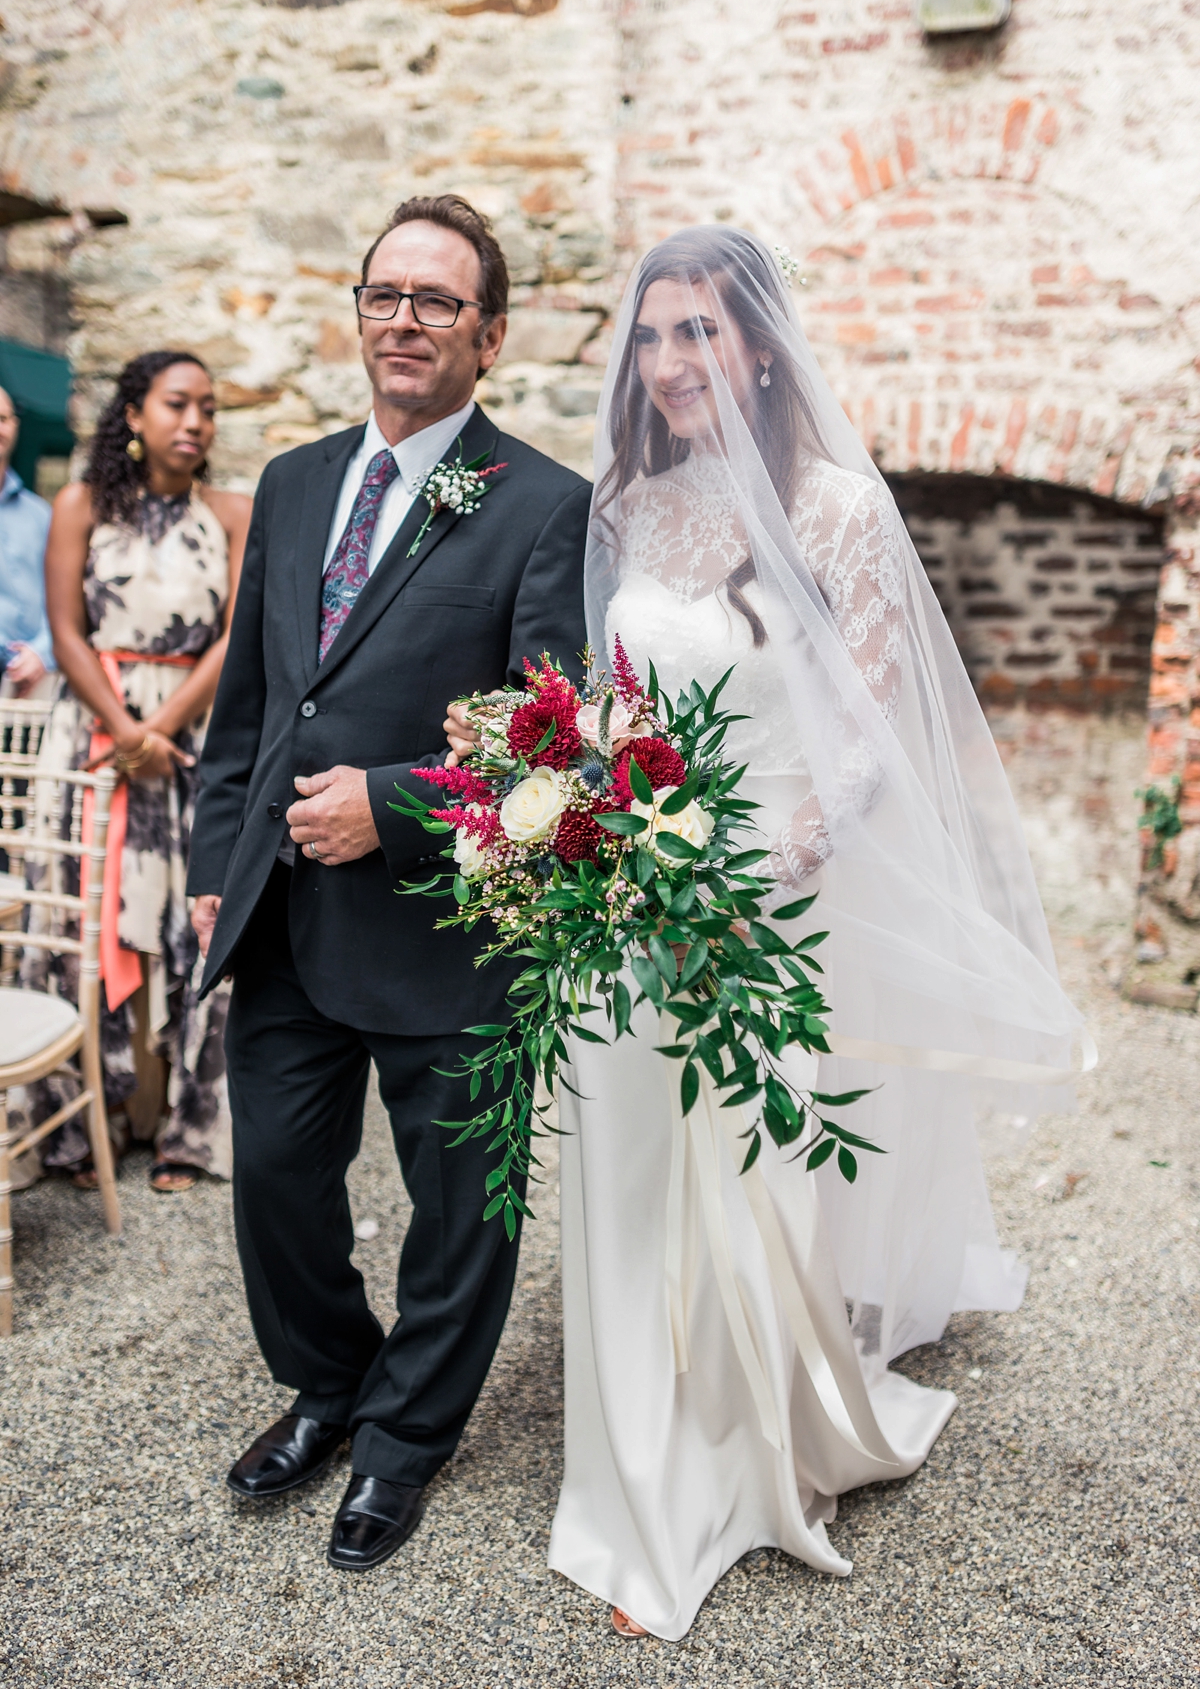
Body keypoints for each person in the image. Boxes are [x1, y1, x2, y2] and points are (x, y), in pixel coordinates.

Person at [452, 228, 1090, 1639]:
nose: (673, 362)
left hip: (758, 902)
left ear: (758, 343)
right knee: (623, 1184)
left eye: (702, 333)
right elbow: (610, 706)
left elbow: (861, 739)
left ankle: (746, 1468)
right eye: (655, 335)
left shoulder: (839, 507)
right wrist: (563, 815)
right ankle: (635, 1477)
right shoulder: (630, 495)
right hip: (624, 899)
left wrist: (762, 864)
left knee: (748, 1179)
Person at [186, 194, 589, 1573]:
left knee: (462, 1209)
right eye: (385, 295)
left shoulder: (543, 503)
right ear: (360, 312)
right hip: (284, 914)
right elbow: (250, 700)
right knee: (277, 1181)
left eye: (436, 302)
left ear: (489, 337)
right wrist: (209, 861)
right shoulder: (295, 481)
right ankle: (331, 1385)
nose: (403, 321)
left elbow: (558, 739)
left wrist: (397, 807)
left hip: (447, 928)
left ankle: (407, 1444)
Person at [21, 351, 249, 1192]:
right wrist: (123, 730)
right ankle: (89, 1127)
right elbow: (66, 630)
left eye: (210, 409)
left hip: (191, 738)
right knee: (90, 916)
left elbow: (235, 635)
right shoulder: (78, 505)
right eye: (179, 404)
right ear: (134, 416)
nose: (196, 422)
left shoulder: (233, 512)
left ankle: (187, 1129)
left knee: (198, 923)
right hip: (93, 738)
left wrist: (161, 728)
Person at [0, 383, 55, 699]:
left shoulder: (41, 516)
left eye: (2, 418)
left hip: (27, 693)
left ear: (15, 426)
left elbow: (65, 599)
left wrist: (41, 653)